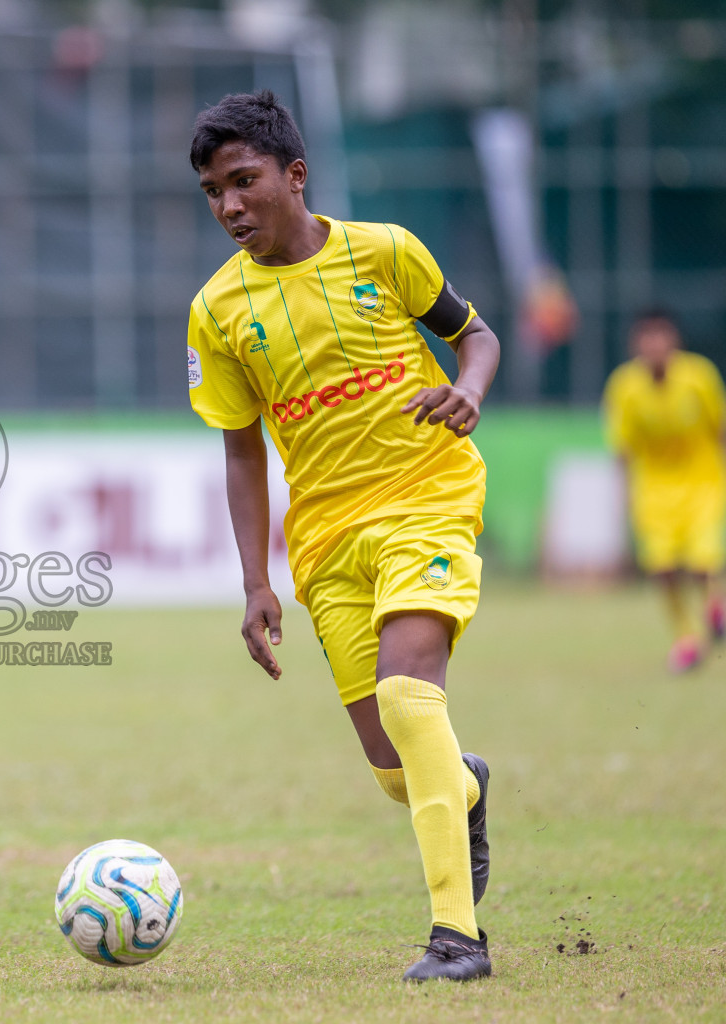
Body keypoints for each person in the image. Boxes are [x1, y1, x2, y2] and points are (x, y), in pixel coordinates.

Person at [185, 92, 500, 981]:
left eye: (243, 182)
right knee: (393, 765)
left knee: (409, 696)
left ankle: (457, 940)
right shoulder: (217, 311)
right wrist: (255, 581)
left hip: (426, 497)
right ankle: (463, 786)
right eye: (213, 192)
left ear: (295, 175)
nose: (229, 206)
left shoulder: (386, 251)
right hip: (324, 539)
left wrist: (470, 387)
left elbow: (475, 335)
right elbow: (241, 451)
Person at [603, 310, 726, 672]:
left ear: (674, 341)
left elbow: (719, 430)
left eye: (661, 337)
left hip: (701, 482)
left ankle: (714, 608)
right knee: (663, 569)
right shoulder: (624, 387)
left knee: (703, 561)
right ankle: (686, 638)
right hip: (653, 489)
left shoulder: (699, 377)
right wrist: (623, 495)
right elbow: (622, 448)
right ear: (635, 344)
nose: (654, 346)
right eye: (647, 338)